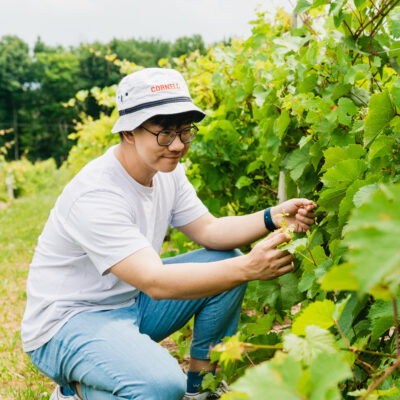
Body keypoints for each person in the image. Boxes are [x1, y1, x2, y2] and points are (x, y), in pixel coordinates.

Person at [21, 68, 317, 400]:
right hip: (68, 323)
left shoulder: (166, 172)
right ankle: (75, 391)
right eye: (164, 133)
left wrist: (273, 217)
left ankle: (201, 389)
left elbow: (209, 230)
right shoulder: (98, 193)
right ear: (130, 132)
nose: (177, 145)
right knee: (160, 387)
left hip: (129, 303)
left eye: (185, 131)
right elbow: (155, 281)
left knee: (224, 260)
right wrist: (249, 268)